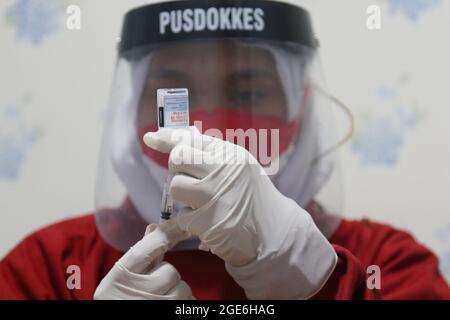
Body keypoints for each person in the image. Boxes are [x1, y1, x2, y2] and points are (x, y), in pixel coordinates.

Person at [1, 0, 449, 300]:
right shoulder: (48, 268)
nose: (209, 129)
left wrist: (315, 280)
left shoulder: (387, 264)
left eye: (249, 95)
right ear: (130, 112)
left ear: (302, 108)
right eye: (172, 99)